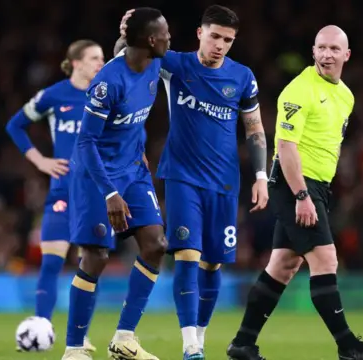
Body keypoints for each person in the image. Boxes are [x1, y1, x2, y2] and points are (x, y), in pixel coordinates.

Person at [226, 25, 363, 360]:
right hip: (294, 183)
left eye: (334, 49)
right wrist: (302, 195)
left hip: (317, 185)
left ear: (346, 55)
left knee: (283, 266)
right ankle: (349, 348)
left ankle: (242, 343)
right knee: (326, 258)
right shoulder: (298, 90)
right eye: (321, 48)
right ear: (313, 52)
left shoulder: (345, 95)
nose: (327, 55)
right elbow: (285, 146)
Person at [115, 5, 268, 359]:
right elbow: (127, 56)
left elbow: (255, 129)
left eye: (227, 40)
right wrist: (129, 32)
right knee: (186, 254)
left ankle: (199, 337)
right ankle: (190, 346)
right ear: (200, 33)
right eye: (214, 36)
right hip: (182, 176)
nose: (220, 45)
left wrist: (261, 176)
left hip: (225, 184)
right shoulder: (176, 65)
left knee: (213, 263)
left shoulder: (242, 77)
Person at [61, 7, 171, 360]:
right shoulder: (108, 82)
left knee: (155, 244)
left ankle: (124, 338)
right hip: (97, 175)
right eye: (164, 33)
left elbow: (124, 41)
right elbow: (86, 142)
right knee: (96, 255)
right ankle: (74, 349)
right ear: (150, 40)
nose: (170, 38)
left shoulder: (153, 62)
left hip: (133, 167)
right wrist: (109, 193)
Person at [5, 39, 104, 354]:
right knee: (51, 262)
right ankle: (41, 327)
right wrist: (40, 160)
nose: (101, 63)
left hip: (95, 192)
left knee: (89, 264)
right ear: (76, 62)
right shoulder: (53, 95)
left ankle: (81, 335)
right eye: (94, 58)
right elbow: (15, 125)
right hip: (62, 190)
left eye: (102, 58)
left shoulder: (106, 96)